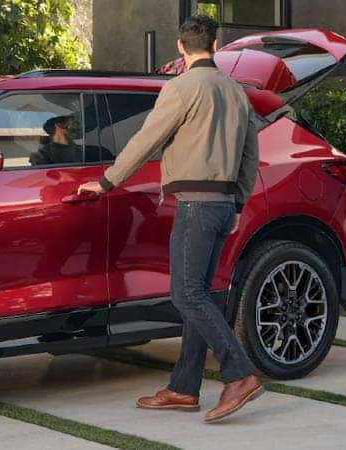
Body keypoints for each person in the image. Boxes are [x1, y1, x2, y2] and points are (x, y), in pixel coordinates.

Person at [77, 15, 263, 423]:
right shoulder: (236, 91)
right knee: (199, 294)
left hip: (194, 206)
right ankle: (184, 387)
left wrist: (107, 181)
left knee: (186, 295)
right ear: (215, 45)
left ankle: (240, 374)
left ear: (181, 47)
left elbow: (147, 138)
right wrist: (236, 205)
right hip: (220, 205)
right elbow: (251, 156)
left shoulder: (180, 87)